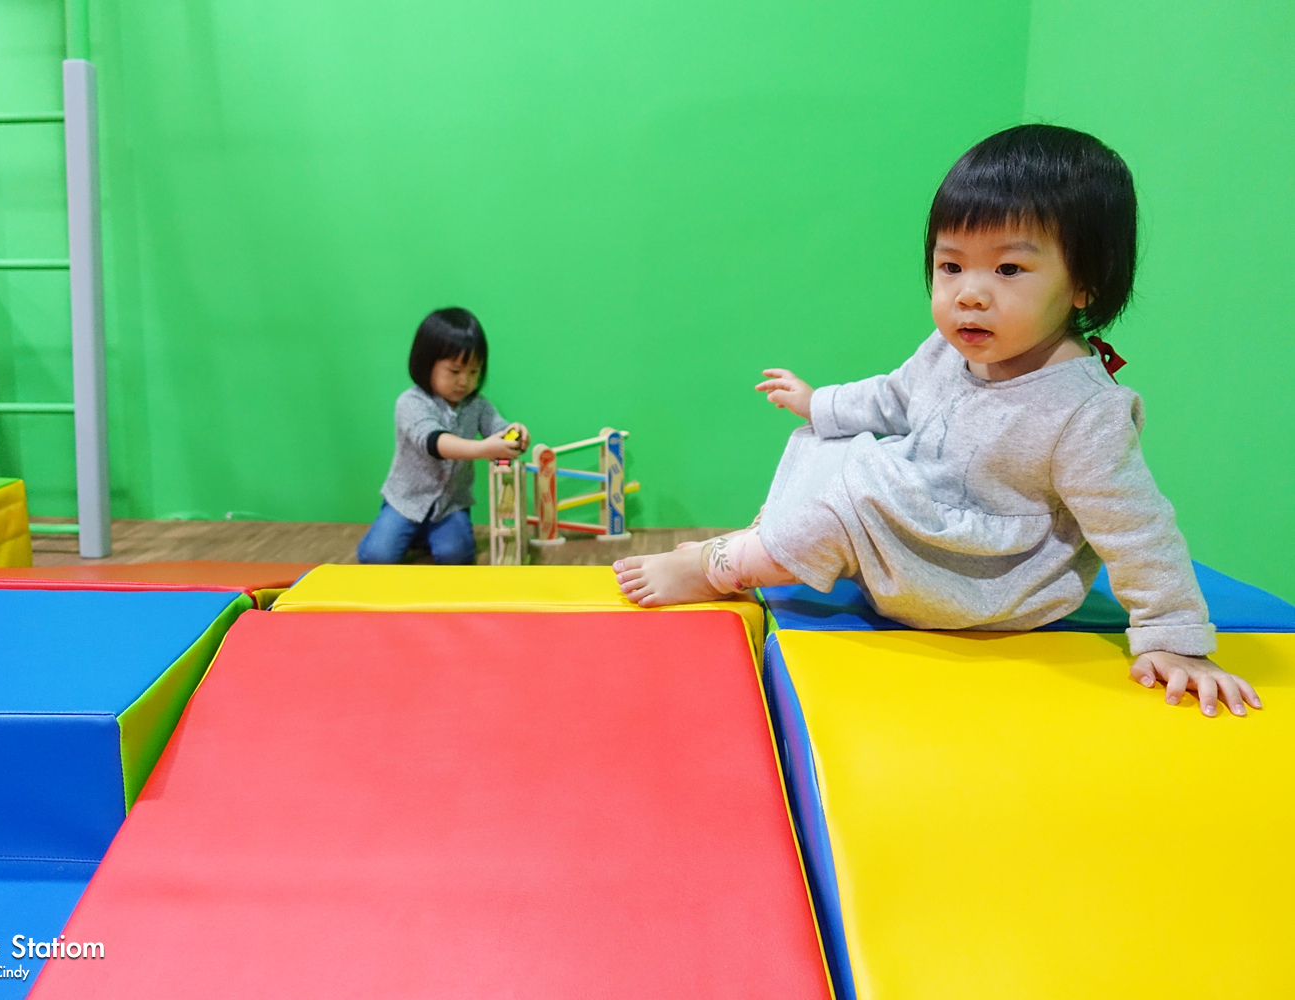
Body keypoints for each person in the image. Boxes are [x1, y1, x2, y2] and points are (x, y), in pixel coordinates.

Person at [615, 124, 1260, 718]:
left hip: (986, 579)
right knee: (826, 442)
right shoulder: (956, 347)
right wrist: (820, 404)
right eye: (951, 266)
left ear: (1084, 283)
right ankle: (768, 540)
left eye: (1008, 269)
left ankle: (719, 566)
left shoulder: (1083, 412)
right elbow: (895, 398)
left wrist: (1173, 639)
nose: (969, 293)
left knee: (859, 490)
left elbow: (1137, 529)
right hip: (935, 527)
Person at [357, 307, 529, 565]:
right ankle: (414, 533)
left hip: (451, 505)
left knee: (456, 558)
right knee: (376, 557)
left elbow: (497, 428)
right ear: (427, 365)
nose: (465, 382)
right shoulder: (411, 403)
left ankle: (426, 535)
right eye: (455, 371)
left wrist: (513, 434)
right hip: (406, 500)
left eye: (473, 372)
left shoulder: (477, 405)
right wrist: (484, 449)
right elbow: (435, 442)